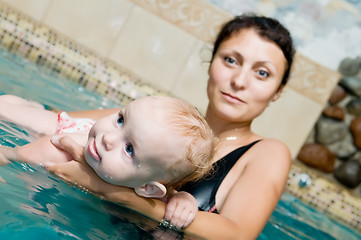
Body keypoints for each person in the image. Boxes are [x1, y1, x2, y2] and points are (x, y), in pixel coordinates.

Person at [42, 13, 295, 239]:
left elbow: (238, 234)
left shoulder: (268, 152)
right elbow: (55, 121)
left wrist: (117, 194)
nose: (239, 81)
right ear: (211, 62)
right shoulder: (161, 122)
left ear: (277, 92)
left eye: (262, 73)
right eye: (230, 60)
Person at [0, 94, 216, 229]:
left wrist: (184, 200)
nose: (108, 137)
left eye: (129, 149)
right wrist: (9, 156)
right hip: (67, 129)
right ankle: (27, 105)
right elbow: (11, 153)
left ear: (147, 189)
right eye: (121, 119)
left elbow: (170, 196)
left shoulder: (153, 191)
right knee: (7, 108)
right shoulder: (60, 151)